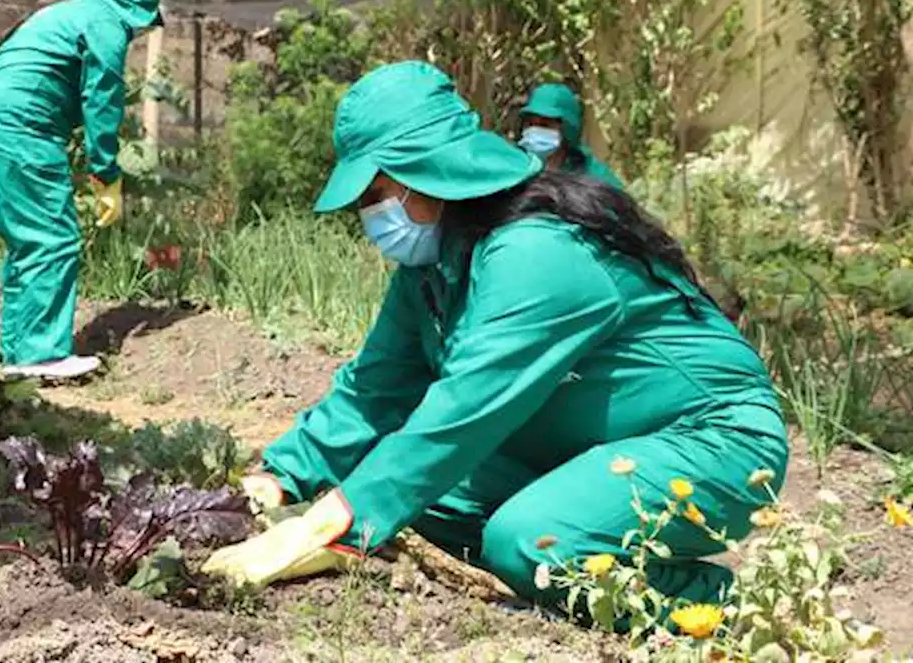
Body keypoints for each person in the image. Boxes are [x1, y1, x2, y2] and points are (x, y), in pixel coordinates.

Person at [203, 61, 788, 624]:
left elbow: (464, 409)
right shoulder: (432, 269)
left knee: (531, 544)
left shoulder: (536, 252)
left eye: (376, 193)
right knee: (418, 501)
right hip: (582, 443)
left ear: (427, 173)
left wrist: (330, 523)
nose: (370, 214)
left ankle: (741, 610)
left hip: (711, 440)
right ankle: (587, 538)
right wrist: (279, 480)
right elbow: (374, 387)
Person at [0, 0, 164, 381]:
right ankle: (41, 355)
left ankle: (19, 352)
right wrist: (106, 174)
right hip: (22, 125)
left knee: (28, 239)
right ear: (136, 8)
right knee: (52, 236)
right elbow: (103, 96)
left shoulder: (64, 12)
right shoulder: (105, 20)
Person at [518, 82, 623, 189]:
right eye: (530, 124)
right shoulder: (516, 168)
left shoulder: (592, 175)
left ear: (566, 129)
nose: (535, 130)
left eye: (544, 125)